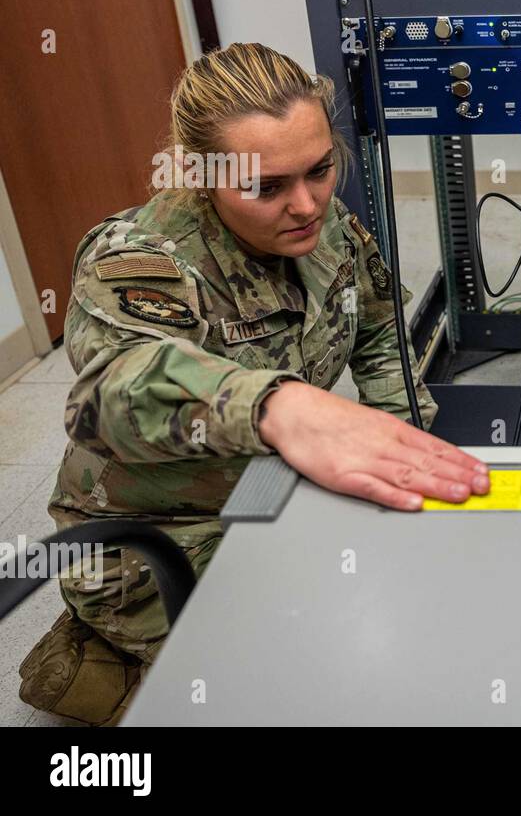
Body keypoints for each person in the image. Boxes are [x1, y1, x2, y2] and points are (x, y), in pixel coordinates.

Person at [19, 43, 490, 725]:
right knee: (314, 683)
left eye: (321, 170)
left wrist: (405, 458)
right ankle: (100, 663)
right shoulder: (141, 262)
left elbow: (381, 332)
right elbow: (110, 393)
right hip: (157, 540)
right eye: (266, 187)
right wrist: (275, 403)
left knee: (422, 615)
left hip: (277, 491)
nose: (305, 205)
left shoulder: (327, 229)